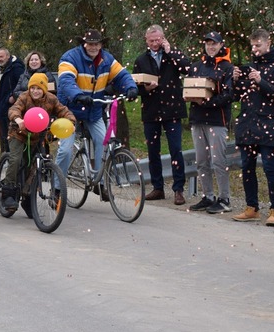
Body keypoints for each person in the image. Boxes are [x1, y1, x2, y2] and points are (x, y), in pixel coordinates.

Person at [55, 29, 138, 185]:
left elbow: (122, 75)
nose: (93, 47)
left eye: (96, 44)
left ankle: (100, 183)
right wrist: (78, 95)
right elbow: (66, 81)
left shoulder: (107, 60)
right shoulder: (70, 58)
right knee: (65, 150)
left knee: (103, 142)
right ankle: (57, 188)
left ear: (101, 45)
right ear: (84, 44)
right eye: (90, 44)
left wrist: (131, 88)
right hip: (69, 110)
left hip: (93, 111)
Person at [232, 29, 274, 226]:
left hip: (268, 126)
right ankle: (252, 208)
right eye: (252, 46)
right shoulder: (249, 67)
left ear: (268, 43)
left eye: (258, 45)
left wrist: (261, 81)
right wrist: (235, 80)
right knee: (247, 167)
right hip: (247, 125)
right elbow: (237, 96)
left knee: (269, 168)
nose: (255, 49)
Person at [133, 24, 190, 205]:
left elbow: (187, 69)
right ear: (146, 40)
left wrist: (170, 51)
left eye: (158, 40)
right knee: (153, 151)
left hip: (172, 110)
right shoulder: (141, 60)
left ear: (163, 38)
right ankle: (157, 187)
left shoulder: (173, 55)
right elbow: (134, 86)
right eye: (151, 41)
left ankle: (178, 189)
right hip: (151, 110)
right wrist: (146, 89)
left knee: (175, 149)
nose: (155, 43)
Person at [1, 73, 76, 211]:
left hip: (38, 137)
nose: (35, 91)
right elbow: (13, 109)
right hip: (18, 134)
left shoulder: (51, 99)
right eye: (33, 88)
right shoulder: (24, 97)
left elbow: (64, 111)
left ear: (44, 90)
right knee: (15, 159)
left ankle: (28, 196)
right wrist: (18, 119)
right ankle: (8, 192)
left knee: (37, 166)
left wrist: (71, 121)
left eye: (39, 88)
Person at [186, 31, 235, 214]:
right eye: (208, 43)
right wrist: (188, 97)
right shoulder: (196, 66)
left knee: (218, 161)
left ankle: (224, 199)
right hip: (197, 119)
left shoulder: (228, 68)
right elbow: (189, 89)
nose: (211, 47)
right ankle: (208, 196)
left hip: (217, 121)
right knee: (201, 161)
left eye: (214, 43)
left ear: (221, 45)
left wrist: (207, 102)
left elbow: (229, 95)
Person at [0, 47, 25, 149]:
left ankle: (11, 156)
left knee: (11, 136)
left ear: (8, 56)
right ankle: (5, 157)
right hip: (2, 106)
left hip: (12, 107)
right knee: (4, 136)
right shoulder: (0, 69)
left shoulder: (16, 68)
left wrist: (12, 96)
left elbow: (22, 85)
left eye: (1, 56)